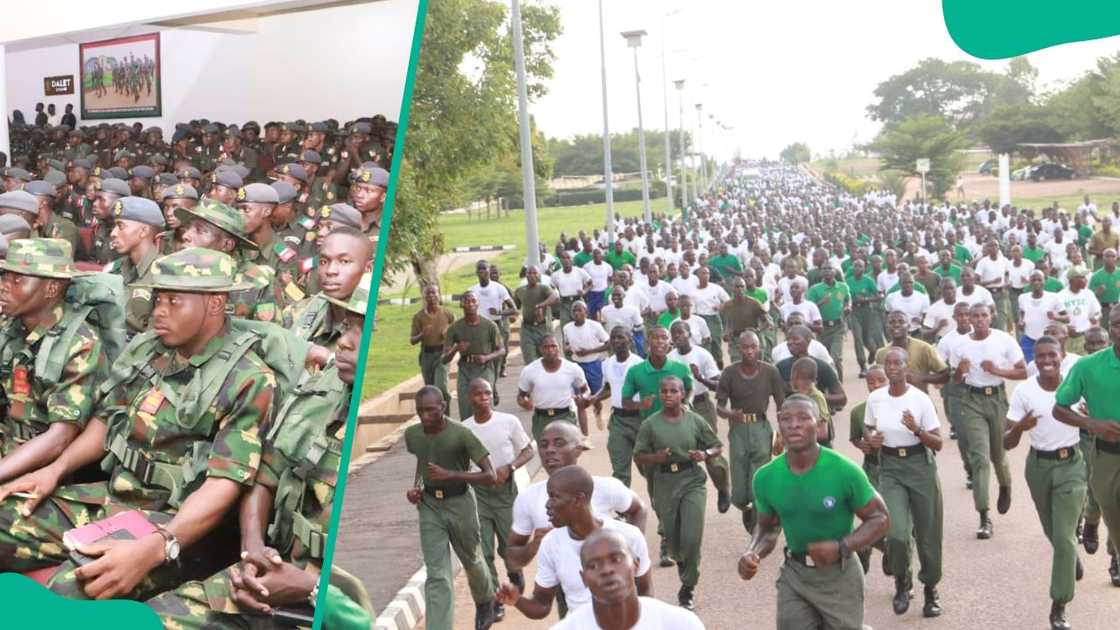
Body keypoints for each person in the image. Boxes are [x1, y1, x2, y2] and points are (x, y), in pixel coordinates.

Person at [0, 248, 275, 601]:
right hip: (114, 498)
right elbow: (105, 421)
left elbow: (224, 484)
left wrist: (159, 545)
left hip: (179, 526)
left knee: (77, 585)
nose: (158, 310)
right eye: (158, 298)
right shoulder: (148, 349)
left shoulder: (249, 379)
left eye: (174, 301)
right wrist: (55, 470)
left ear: (215, 304)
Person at [147, 271, 374, 629]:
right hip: (273, 570)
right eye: (347, 326)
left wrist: (313, 589)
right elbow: (264, 477)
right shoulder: (322, 391)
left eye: (363, 332)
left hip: (326, 597)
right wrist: (252, 549)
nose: (344, 342)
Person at [738, 395, 889, 630]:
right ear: (779, 423)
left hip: (840, 575)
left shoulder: (843, 470)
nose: (794, 424)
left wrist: (842, 547)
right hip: (795, 575)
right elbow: (767, 527)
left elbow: (880, 518)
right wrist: (752, 553)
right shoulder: (766, 477)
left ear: (819, 425)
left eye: (803, 418)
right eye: (786, 419)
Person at [0, 239, 105, 483]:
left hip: (46, 470)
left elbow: (59, 438)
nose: (4, 286)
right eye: (5, 276)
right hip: (9, 446)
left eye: (18, 280)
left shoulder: (80, 343)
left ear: (51, 288)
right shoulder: (11, 328)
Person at [1004, 336, 1087, 630]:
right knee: (1053, 531)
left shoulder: (1076, 385)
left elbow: (1095, 420)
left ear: (1062, 355)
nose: (1046, 360)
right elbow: (1006, 442)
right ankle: (1069, 558)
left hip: (1072, 466)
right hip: (1038, 467)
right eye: (1040, 356)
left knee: (1064, 536)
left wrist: (1090, 418)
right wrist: (1019, 428)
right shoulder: (1024, 391)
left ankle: (1059, 604)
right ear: (1034, 360)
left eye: (1052, 355)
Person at [496, 465, 651, 619]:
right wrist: (517, 600)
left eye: (554, 496)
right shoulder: (550, 544)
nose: (547, 504)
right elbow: (541, 605)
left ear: (578, 500)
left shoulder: (628, 536)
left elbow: (646, 594)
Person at [404, 386, 498, 630]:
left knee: (472, 559)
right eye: (420, 411)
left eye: (430, 411)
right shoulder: (412, 435)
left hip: (460, 503)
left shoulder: (462, 434)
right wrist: (416, 487)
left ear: (443, 407)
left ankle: (486, 600)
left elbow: (490, 475)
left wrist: (452, 474)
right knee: (437, 573)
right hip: (429, 506)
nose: (424, 416)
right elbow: (422, 461)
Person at [865, 347, 944, 618]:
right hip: (891, 468)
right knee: (896, 533)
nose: (892, 367)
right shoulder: (875, 399)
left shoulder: (920, 399)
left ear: (907, 366)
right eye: (888, 363)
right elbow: (868, 428)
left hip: (920, 466)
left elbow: (938, 442)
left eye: (897, 363)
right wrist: (871, 439)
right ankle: (902, 580)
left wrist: (917, 430)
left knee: (928, 533)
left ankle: (931, 588)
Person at [633, 376, 721, 609]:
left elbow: (716, 445)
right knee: (673, 541)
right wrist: (655, 458)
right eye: (664, 391)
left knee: (692, 537)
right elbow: (639, 455)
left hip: (692, 480)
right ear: (660, 394)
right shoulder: (650, 425)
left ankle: (687, 588)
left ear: (683, 394)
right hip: (664, 483)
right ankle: (682, 561)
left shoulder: (695, 420)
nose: (669, 395)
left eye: (674, 391)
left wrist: (706, 454)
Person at [1054, 307, 1120, 590]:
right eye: (1117, 324)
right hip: (1106, 455)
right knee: (1113, 518)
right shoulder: (1088, 366)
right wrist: (1091, 423)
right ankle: (1102, 532)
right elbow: (1060, 407)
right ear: (1110, 326)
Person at [951, 303, 1027, 539]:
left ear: (991, 317)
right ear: (969, 319)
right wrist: (959, 371)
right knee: (980, 459)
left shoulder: (1003, 339)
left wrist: (998, 371)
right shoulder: (960, 344)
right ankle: (984, 516)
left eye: (984, 315)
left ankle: (1005, 485)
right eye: (976, 315)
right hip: (972, 400)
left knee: (998, 454)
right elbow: (954, 380)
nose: (980, 319)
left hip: (997, 399)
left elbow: (1023, 372)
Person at [461, 379, 534, 623]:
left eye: (487, 393)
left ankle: (515, 573)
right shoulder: (464, 429)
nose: (484, 398)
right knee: (483, 552)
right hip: (478, 495)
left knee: (508, 547)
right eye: (478, 394)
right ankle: (495, 601)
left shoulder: (508, 422)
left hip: (505, 492)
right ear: (469, 398)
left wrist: (510, 467)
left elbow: (528, 450)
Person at [548, 528, 704, 630]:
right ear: (584, 579)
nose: (607, 570)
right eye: (593, 565)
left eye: (616, 559)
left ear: (636, 564)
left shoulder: (681, 624)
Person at [716, 330, 785, 533]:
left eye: (753, 347)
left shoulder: (770, 372)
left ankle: (758, 526)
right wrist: (730, 414)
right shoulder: (729, 373)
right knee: (739, 493)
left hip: (761, 428)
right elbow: (719, 407)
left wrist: (781, 434)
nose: (749, 351)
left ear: (760, 348)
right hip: (738, 430)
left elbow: (781, 404)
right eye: (745, 347)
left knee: (758, 481)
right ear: (739, 349)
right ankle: (745, 508)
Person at [668, 320, 732, 513]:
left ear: (690, 334)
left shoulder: (702, 355)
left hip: (701, 404)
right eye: (674, 334)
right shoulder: (670, 358)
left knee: (711, 451)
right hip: (678, 410)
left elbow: (718, 384)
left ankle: (723, 487)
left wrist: (700, 378)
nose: (677, 336)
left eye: (681, 332)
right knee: (680, 453)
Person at [444, 291, 504, 421]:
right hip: (465, 369)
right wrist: (456, 348)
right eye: (466, 301)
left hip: (484, 368)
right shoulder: (455, 328)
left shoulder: (489, 326)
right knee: (465, 407)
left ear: (478, 304)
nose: (470, 304)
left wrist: (486, 358)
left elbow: (501, 350)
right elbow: (444, 358)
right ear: (461, 304)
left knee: (484, 406)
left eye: (473, 301)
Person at [517, 334, 590, 440]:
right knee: (547, 454)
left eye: (553, 346)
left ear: (559, 348)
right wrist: (524, 402)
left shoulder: (572, 368)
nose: (550, 350)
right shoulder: (529, 370)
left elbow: (585, 389)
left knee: (566, 452)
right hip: (541, 419)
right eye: (546, 347)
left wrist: (583, 396)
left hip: (565, 416)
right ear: (540, 350)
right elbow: (521, 395)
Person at [875, 310, 950, 394]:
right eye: (892, 322)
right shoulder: (881, 354)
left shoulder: (924, 348)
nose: (896, 325)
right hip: (890, 401)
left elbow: (946, 375)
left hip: (919, 400)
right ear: (887, 327)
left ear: (908, 326)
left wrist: (921, 378)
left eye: (901, 322)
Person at [469, 261, 516, 378]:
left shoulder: (499, 288)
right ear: (476, 272)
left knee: (497, 356)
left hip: (496, 325)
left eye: (484, 269)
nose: (482, 272)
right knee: (482, 355)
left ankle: (494, 381)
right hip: (479, 327)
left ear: (489, 270)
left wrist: (499, 312)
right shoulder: (472, 290)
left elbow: (513, 309)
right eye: (479, 269)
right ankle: (487, 382)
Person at [411, 283, 456, 403]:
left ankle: (446, 413)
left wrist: (448, 334)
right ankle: (437, 416)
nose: (431, 295)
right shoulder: (418, 317)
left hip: (442, 354)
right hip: (426, 355)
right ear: (424, 296)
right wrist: (422, 334)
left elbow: (456, 332)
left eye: (434, 292)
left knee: (441, 387)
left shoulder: (447, 314)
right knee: (430, 390)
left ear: (438, 295)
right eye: (428, 293)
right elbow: (412, 340)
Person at [806, 265, 850, 380]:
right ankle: (828, 382)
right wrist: (821, 302)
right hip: (822, 329)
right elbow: (809, 308)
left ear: (835, 271)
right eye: (824, 269)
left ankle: (839, 382)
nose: (827, 271)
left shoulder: (843, 287)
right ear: (821, 273)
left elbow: (847, 300)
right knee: (824, 359)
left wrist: (848, 307)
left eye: (830, 268)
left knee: (836, 357)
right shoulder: (815, 289)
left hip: (838, 327)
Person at [563, 300, 610, 403]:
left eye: (579, 310)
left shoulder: (595, 326)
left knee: (596, 395)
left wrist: (588, 351)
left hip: (593, 365)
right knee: (578, 397)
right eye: (574, 311)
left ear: (586, 312)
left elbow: (608, 343)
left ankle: (598, 414)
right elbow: (566, 345)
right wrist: (568, 349)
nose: (576, 313)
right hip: (577, 365)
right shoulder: (567, 328)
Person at [515, 265, 559, 367]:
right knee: (530, 359)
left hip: (543, 328)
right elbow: (515, 307)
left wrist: (541, 305)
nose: (532, 275)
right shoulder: (520, 291)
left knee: (548, 357)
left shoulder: (543, 288)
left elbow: (555, 297)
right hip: (527, 329)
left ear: (539, 275)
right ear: (525, 275)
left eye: (535, 273)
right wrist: (503, 312)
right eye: (529, 273)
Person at [847, 258, 884, 377]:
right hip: (854, 312)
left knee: (867, 337)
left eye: (860, 266)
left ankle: (873, 351)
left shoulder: (868, 281)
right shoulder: (848, 281)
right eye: (855, 266)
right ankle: (862, 366)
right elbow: (844, 298)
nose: (857, 268)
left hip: (867, 310)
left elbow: (879, 296)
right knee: (858, 338)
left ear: (864, 268)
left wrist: (866, 299)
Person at [1057, 268, 1101, 355]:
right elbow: (1056, 319)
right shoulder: (1060, 296)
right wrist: (1066, 327)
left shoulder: (1088, 293)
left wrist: (1096, 318)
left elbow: (1098, 312)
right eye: (1082, 277)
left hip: (1085, 336)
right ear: (1072, 280)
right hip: (1068, 338)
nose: (1086, 280)